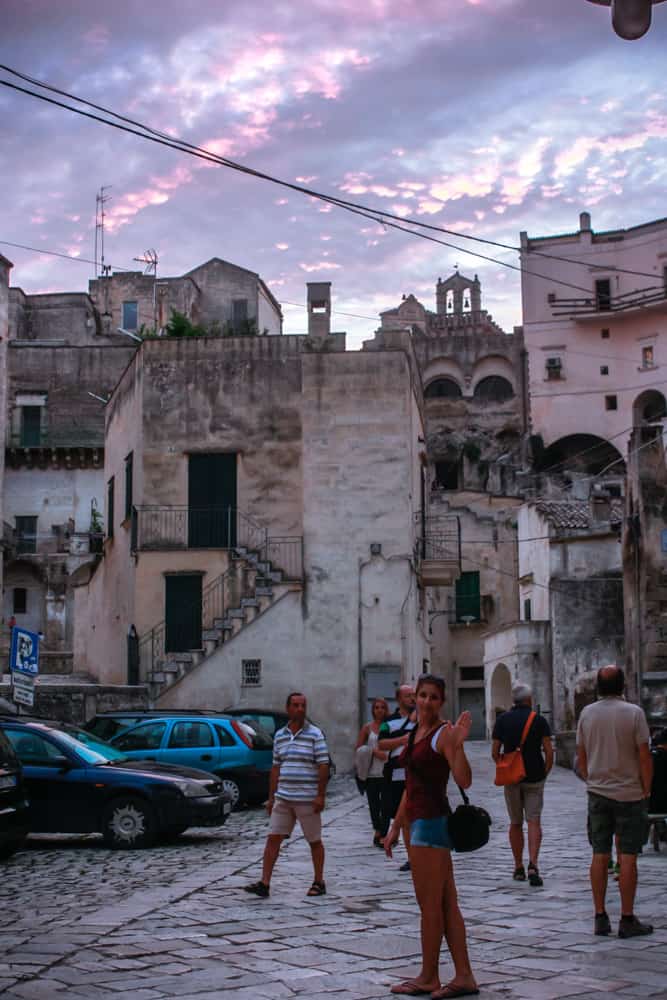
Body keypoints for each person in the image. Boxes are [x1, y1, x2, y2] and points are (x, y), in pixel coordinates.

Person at [385, 674, 478, 999]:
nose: (425, 701)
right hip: (416, 822)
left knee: (430, 906)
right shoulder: (416, 733)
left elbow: (464, 781)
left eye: (433, 697)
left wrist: (459, 743)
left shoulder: (443, 734)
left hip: (431, 823)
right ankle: (464, 975)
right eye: (422, 695)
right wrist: (395, 826)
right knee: (446, 903)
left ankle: (428, 976)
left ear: (442, 701)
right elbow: (411, 786)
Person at [576, 665, 654, 938]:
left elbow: (581, 756)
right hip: (630, 794)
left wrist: (592, 780)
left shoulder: (586, 714)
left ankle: (600, 916)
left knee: (599, 853)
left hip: (598, 793)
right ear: (623, 686)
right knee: (628, 856)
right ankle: (627, 918)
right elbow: (644, 756)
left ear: (598, 686)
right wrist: (646, 789)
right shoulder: (634, 714)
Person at [244, 692, 330, 899]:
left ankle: (319, 881)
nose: (300, 709)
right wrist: (271, 797)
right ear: (288, 708)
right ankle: (264, 883)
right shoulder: (280, 735)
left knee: (314, 840)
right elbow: (276, 767)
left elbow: (323, 764)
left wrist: (320, 795)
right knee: (273, 838)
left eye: (303, 705)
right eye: (296, 705)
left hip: (306, 798)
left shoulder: (315, 734)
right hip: (284, 797)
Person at [492, 682, 553, 887]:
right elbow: (549, 751)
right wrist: (545, 771)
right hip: (534, 775)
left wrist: (505, 765)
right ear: (529, 700)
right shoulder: (539, 720)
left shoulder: (502, 720)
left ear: (513, 700)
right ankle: (533, 864)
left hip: (512, 777)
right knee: (534, 821)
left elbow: (494, 751)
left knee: (515, 822)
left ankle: (518, 866)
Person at [379, 684, 416, 872]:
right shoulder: (388, 722)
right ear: (399, 699)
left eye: (413, 695)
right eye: (408, 695)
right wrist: (401, 741)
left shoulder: (421, 718)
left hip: (417, 771)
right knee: (404, 817)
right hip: (397, 773)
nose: (412, 698)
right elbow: (382, 743)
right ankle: (412, 857)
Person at [356, 697, 390, 847]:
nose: (379, 710)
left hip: (387, 771)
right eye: (377, 707)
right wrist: (373, 752)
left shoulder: (390, 726)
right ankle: (378, 831)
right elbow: (358, 747)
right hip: (371, 772)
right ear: (373, 710)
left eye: (382, 707)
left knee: (386, 805)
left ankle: (384, 834)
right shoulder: (367, 728)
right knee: (374, 805)